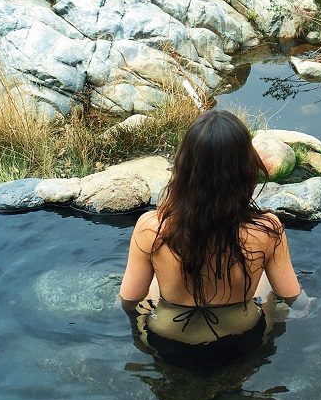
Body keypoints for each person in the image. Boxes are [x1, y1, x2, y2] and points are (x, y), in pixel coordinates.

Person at [118, 109, 304, 365]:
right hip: (242, 339)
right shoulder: (268, 230)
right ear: (246, 168)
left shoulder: (152, 228)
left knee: (150, 283)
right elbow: (294, 297)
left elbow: (129, 299)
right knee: (270, 286)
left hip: (168, 340)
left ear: (183, 167)